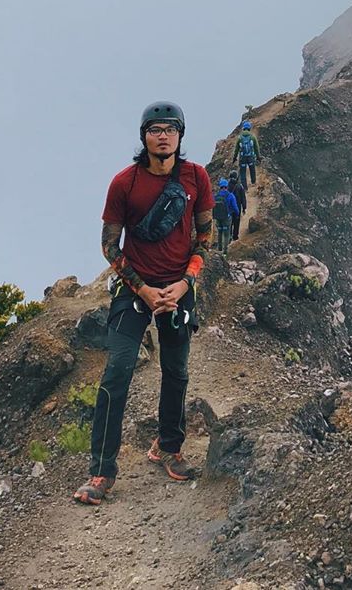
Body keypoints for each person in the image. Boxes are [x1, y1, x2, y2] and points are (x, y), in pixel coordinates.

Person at [73, 101, 213, 505]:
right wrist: (143, 289)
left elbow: (205, 237)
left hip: (177, 289)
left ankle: (167, 447)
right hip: (134, 292)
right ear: (144, 136)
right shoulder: (125, 183)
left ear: (181, 135)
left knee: (176, 372)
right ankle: (101, 472)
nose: (163, 135)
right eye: (155, 129)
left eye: (170, 129)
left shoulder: (196, 178)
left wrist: (186, 283)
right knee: (116, 374)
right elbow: (108, 245)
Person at [212, 178, 237, 252]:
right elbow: (235, 207)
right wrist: (237, 213)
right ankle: (225, 251)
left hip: (218, 217)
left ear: (220, 186)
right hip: (227, 217)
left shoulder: (216, 196)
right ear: (227, 186)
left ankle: (219, 249)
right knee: (226, 234)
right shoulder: (230, 195)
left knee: (220, 232)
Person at [237, 121, 260, 187]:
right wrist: (258, 157)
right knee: (252, 169)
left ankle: (244, 187)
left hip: (242, 158)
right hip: (251, 157)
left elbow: (236, 149)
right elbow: (256, 148)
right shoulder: (252, 137)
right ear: (249, 128)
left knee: (243, 172)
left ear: (243, 128)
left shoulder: (240, 138)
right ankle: (253, 182)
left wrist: (234, 157)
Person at [227, 168, 247, 241]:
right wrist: (244, 207)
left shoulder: (226, 185)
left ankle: (228, 237)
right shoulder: (240, 186)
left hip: (228, 208)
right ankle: (235, 237)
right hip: (237, 208)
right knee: (236, 222)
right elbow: (243, 198)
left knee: (229, 222)